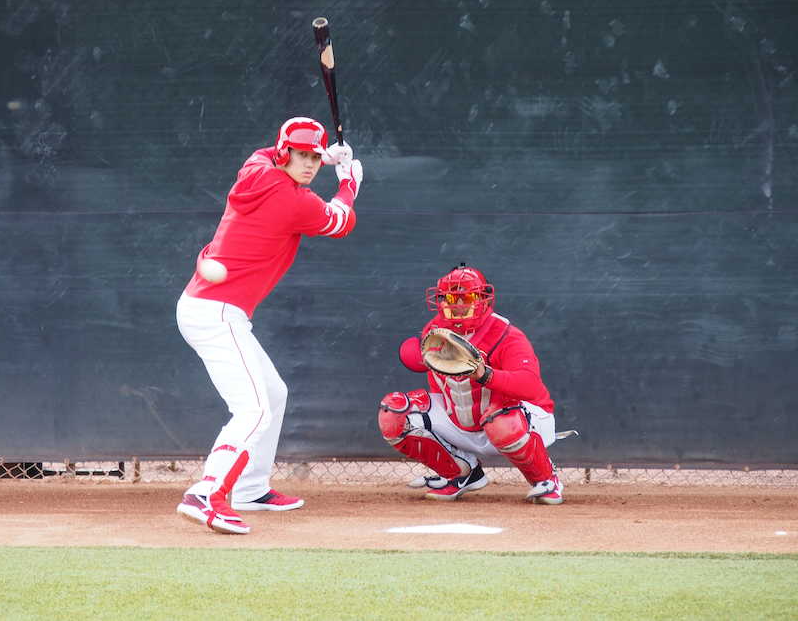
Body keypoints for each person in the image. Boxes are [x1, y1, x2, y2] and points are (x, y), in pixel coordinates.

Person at [175, 117, 363, 534]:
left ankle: (249, 488)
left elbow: (274, 162)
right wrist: (348, 180)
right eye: (301, 154)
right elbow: (340, 221)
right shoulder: (294, 202)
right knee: (253, 408)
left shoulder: (255, 167)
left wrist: (326, 158)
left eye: (315, 156)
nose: (310, 163)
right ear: (284, 153)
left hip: (213, 306)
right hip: (216, 311)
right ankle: (206, 492)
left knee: (273, 394)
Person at [377, 263, 565, 504]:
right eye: (449, 298)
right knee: (393, 411)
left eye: (467, 297)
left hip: (522, 421)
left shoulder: (505, 333)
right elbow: (430, 375)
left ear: (483, 300)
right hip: (462, 418)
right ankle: (461, 473)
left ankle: (546, 479)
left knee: (500, 419)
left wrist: (485, 375)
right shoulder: (434, 330)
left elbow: (531, 386)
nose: (457, 305)